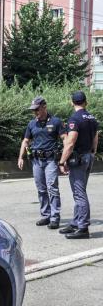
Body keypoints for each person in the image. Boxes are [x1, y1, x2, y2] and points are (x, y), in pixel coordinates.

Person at [18, 96, 66, 230]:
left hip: (51, 160)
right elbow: (26, 141)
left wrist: (64, 159)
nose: (35, 112)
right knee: (41, 189)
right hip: (36, 161)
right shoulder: (31, 124)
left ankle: (55, 217)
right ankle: (46, 215)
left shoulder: (56, 122)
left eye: (37, 109)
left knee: (52, 188)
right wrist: (20, 157)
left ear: (44, 107)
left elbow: (65, 139)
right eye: (33, 110)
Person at [58, 91, 100, 239]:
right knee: (79, 191)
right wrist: (92, 153)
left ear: (72, 102)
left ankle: (83, 227)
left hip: (79, 159)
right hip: (88, 156)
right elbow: (96, 138)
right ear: (85, 102)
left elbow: (70, 143)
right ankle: (76, 222)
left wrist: (62, 161)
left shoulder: (74, 119)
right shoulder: (92, 118)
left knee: (79, 193)